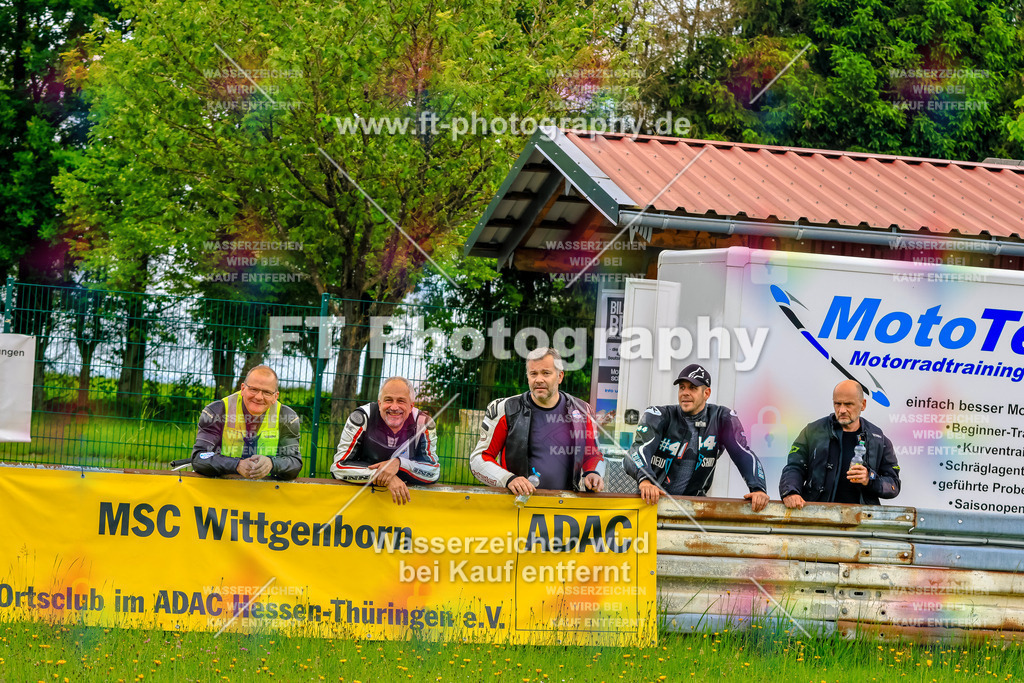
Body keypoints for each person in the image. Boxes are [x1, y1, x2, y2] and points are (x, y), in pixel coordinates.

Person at [623, 363, 769, 511]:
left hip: (693, 509)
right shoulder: (659, 415)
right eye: (682, 387)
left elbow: (743, 453)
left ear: (706, 393)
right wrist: (646, 481)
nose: (685, 393)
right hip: (651, 504)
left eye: (692, 388)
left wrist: (758, 489)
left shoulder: (721, 418)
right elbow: (635, 452)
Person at [470, 347, 605, 497]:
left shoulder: (583, 411)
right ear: (527, 376)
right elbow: (478, 460)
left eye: (546, 373)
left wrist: (594, 473)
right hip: (517, 507)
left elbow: (593, 455)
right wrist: (508, 480)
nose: (539, 379)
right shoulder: (505, 409)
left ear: (560, 376)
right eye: (533, 373)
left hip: (564, 510)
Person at [780, 380, 901, 508]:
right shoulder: (813, 431)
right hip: (817, 517)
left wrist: (869, 478)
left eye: (848, 404)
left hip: (862, 521)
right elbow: (794, 467)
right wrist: (791, 492)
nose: (842, 410)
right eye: (837, 404)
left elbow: (894, 484)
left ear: (863, 404)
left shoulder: (878, 439)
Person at [331, 376, 440, 505]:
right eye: (388, 400)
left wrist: (399, 464)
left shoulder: (424, 423)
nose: (394, 407)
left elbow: (433, 471)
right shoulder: (361, 418)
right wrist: (385, 476)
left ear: (411, 406)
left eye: (401, 401)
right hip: (359, 501)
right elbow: (338, 466)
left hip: (407, 504)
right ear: (380, 403)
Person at [191, 365, 302, 480]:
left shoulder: (287, 417)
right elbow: (199, 458)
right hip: (221, 489)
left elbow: (294, 463)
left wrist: (272, 464)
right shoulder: (217, 411)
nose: (259, 397)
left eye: (267, 392)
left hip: (266, 491)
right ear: (243, 389)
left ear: (275, 396)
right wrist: (236, 465)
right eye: (254, 389)